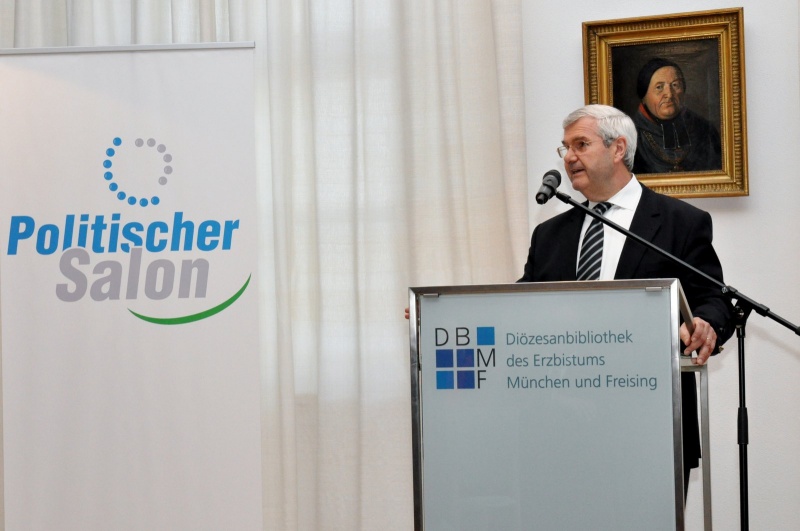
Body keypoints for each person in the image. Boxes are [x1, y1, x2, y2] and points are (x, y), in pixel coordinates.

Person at [520, 104, 734, 495]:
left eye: (581, 144)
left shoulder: (680, 222)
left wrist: (706, 323)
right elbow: (518, 306)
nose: (569, 157)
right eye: (565, 148)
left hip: (651, 421)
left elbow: (713, 297)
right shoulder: (549, 235)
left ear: (618, 149)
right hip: (560, 424)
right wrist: (444, 317)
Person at [632, 57, 722, 174]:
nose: (669, 94)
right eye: (659, 87)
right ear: (644, 97)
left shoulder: (705, 130)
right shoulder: (629, 135)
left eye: (675, 85)